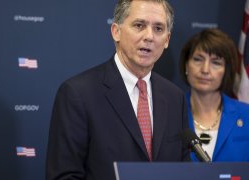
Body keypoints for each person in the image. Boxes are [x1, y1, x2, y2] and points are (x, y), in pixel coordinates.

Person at [46, 0, 190, 179]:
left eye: (158, 29)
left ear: (167, 40)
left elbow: (183, 171)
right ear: (116, 31)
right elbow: (64, 175)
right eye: (139, 25)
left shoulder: (175, 97)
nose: (149, 36)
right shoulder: (78, 94)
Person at [179, 28, 249, 161]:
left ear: (226, 70)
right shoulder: (169, 114)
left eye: (216, 63)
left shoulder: (246, 116)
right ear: (186, 65)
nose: (205, 70)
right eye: (198, 59)